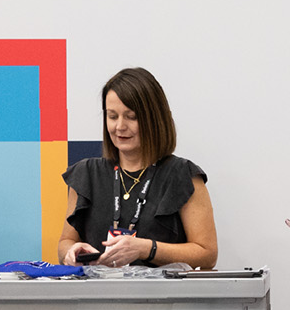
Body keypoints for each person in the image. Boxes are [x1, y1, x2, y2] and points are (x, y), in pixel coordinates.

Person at [58, 67, 217, 268]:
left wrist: (145, 249)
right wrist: (72, 252)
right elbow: (65, 242)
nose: (120, 127)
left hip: (164, 298)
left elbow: (207, 254)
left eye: (131, 117)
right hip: (97, 296)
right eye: (112, 116)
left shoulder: (183, 175)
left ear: (154, 119)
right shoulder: (86, 174)